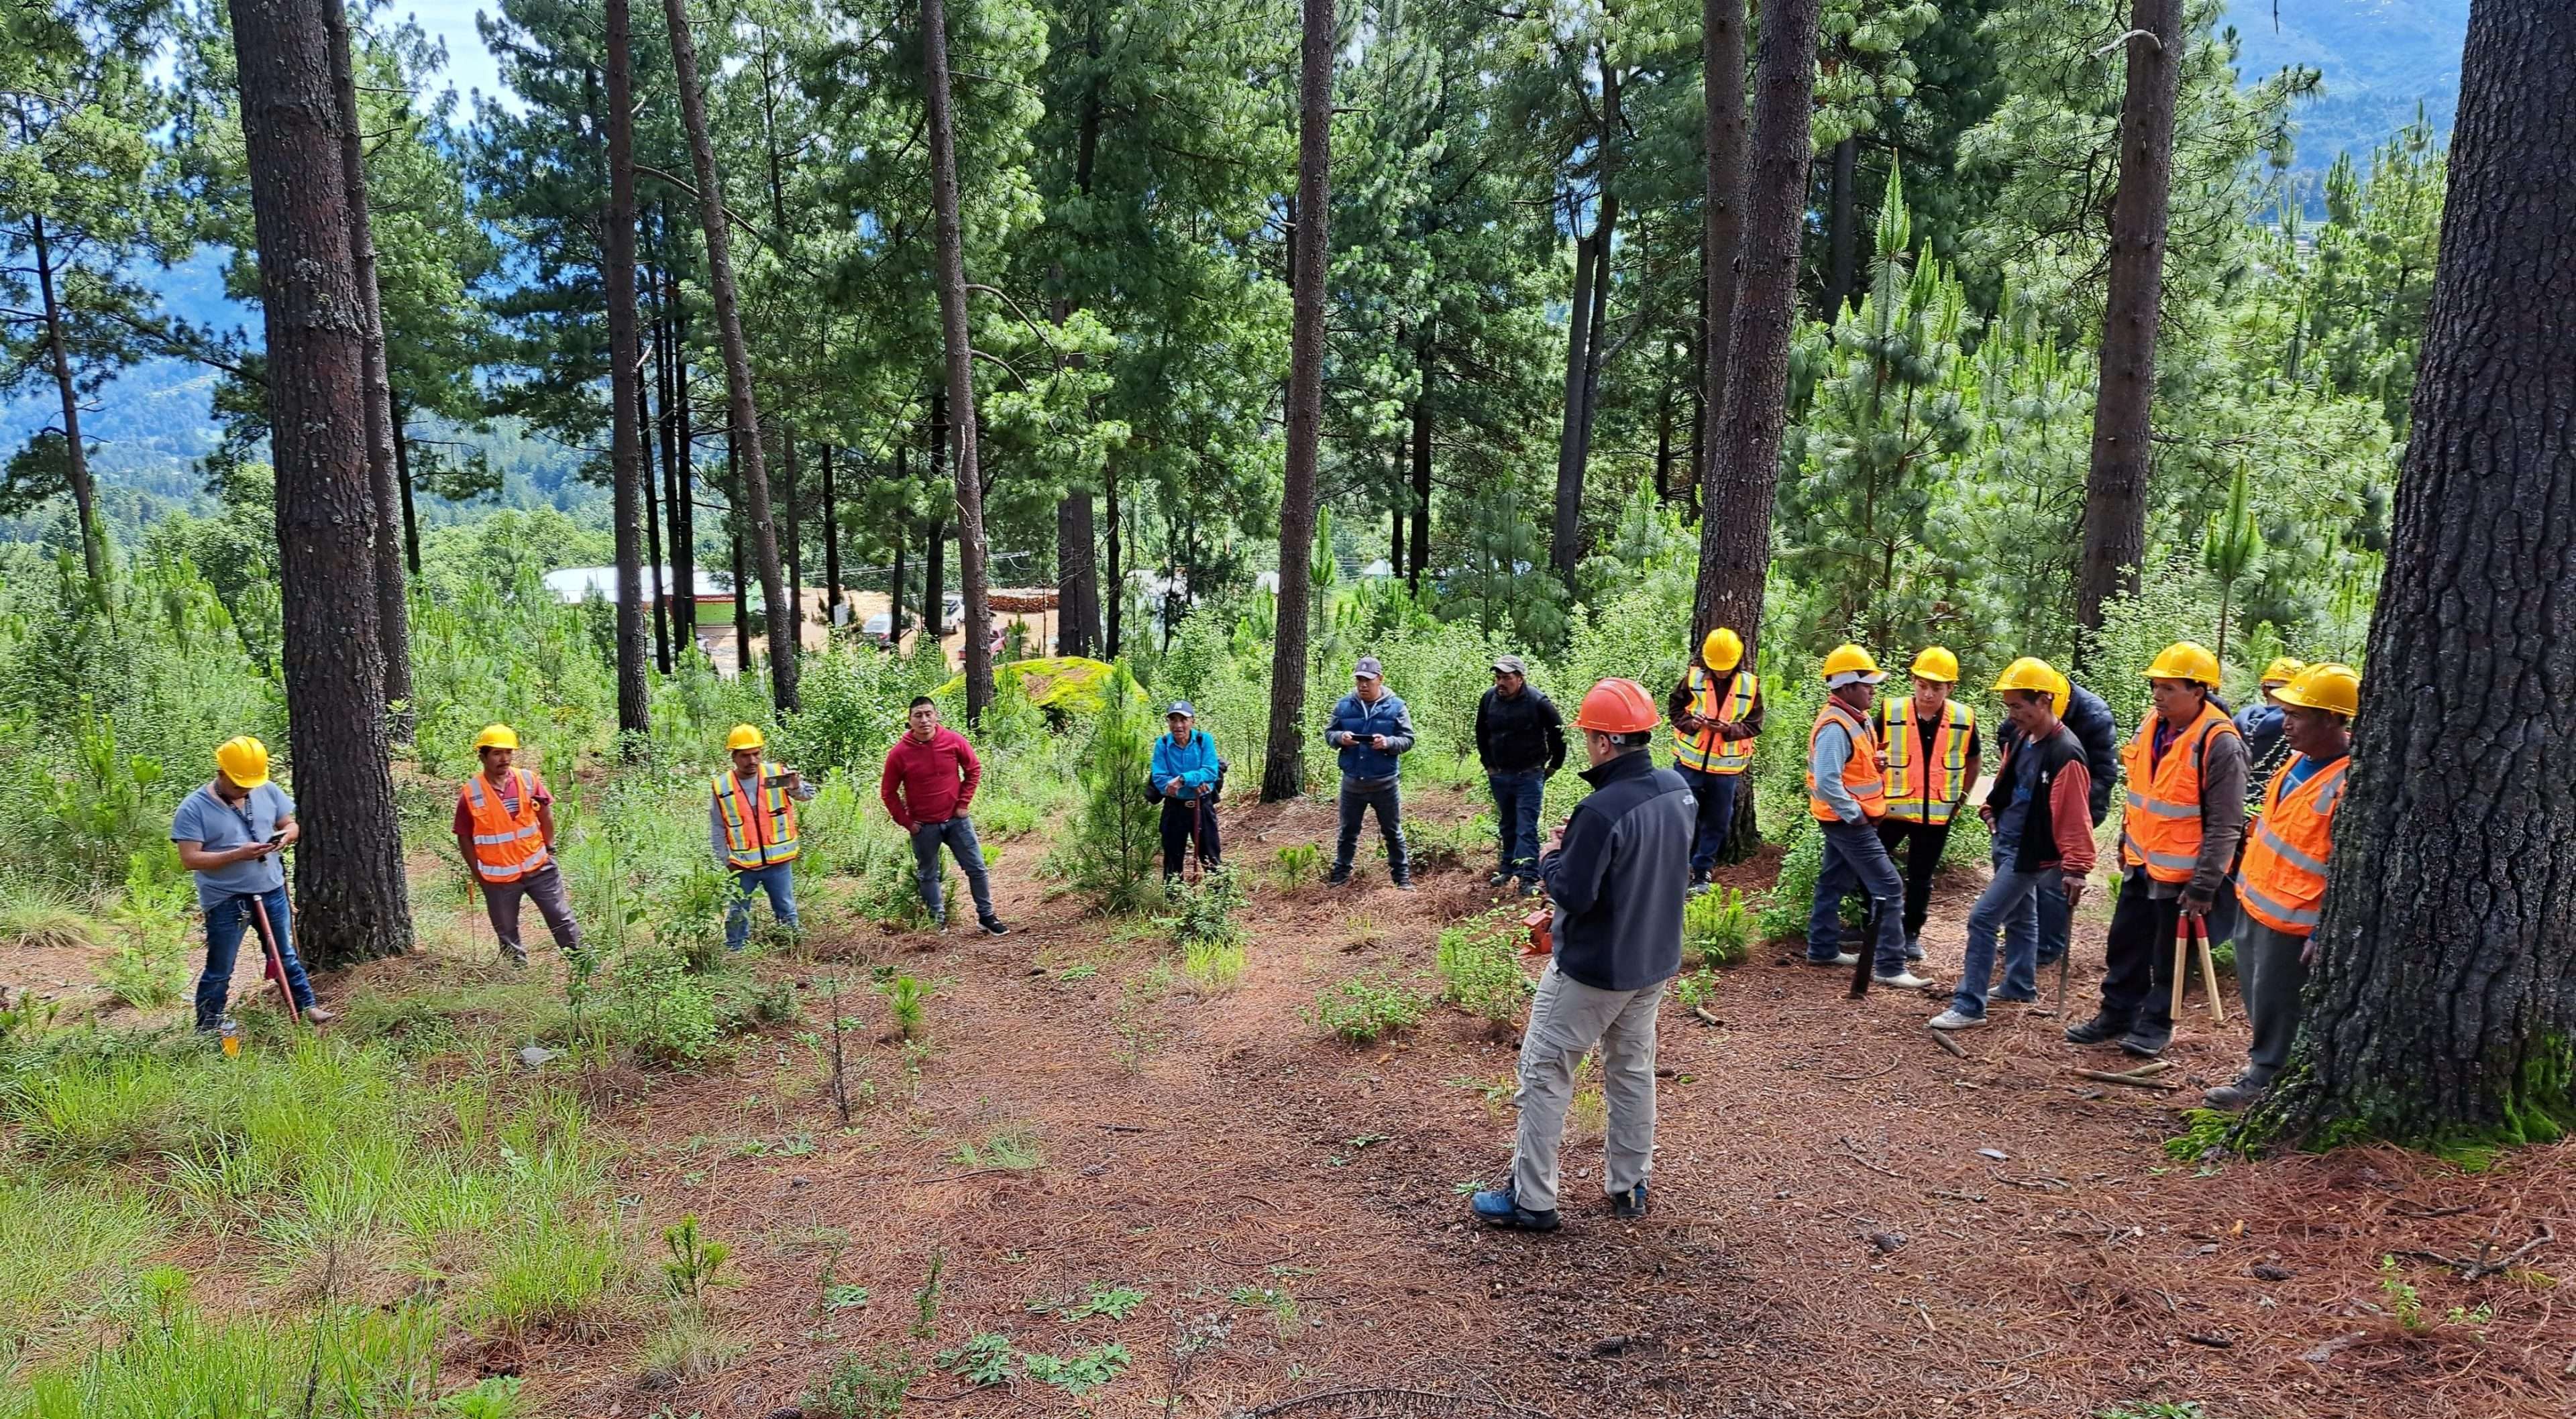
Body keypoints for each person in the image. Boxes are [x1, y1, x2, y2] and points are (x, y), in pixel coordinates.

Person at [1470, 679, 1695, 1231]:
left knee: (1545, 1072)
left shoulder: (1600, 809)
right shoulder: (1677, 790)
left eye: (1591, 735)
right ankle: (1629, 1184)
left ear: (1602, 742)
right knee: (1632, 1070)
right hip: (1653, 963)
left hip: (1595, 968)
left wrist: (1553, 854)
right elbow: (1647, 862)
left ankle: (1533, 1200)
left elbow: (1572, 892)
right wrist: (1584, 845)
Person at [2068, 641, 2246, 1058]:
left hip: (2183, 873)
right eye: (2156, 686)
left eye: (2169, 688)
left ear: (2198, 690)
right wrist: (2127, 841)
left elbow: (2226, 822)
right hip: (2141, 861)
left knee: (2170, 954)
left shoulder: (2220, 743)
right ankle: (2116, 1014)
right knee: (2125, 942)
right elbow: (2143, 792)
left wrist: (2205, 885)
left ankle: (2155, 1024)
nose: (2158, 695)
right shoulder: (2152, 725)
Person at [2208, 663, 2358, 1109]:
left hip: (2295, 918)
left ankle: (2266, 1080)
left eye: (2298, 714)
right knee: (2259, 998)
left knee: (2279, 1004)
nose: (2284, 722)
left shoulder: (2348, 780)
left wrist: (2320, 929)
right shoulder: (2297, 760)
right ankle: (2264, 1069)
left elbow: (2346, 867)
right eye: (2285, 711)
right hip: (2256, 901)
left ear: (2332, 719)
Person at [1929, 661, 2094, 1030]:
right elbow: (2007, 780)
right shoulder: (2022, 737)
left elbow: (2074, 814)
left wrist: (2077, 867)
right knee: (2022, 916)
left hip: (2029, 852)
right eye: (2009, 706)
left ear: (2045, 700)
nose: (2013, 714)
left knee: (1983, 918)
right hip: (2006, 838)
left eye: (2019, 705)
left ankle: (1970, 1005)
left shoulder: (2065, 752)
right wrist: (1991, 810)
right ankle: (2020, 985)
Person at [172, 736, 332, 1031]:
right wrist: (236, 855)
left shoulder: (266, 789)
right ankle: (209, 1025)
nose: (246, 790)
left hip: (270, 888)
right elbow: (190, 859)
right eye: (238, 785)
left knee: (284, 953)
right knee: (222, 966)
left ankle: (306, 1006)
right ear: (220, 773)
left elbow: (291, 823)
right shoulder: (193, 808)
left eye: (250, 785)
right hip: (226, 898)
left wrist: (286, 837)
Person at [1805, 644, 1929, 988]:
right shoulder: (1835, 726)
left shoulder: (1852, 719)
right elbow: (1829, 782)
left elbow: (1849, 770)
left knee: (1833, 881)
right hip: (1848, 821)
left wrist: (1876, 764)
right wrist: (1854, 815)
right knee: (1889, 886)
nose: (1873, 690)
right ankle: (1890, 966)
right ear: (1845, 687)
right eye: (1866, 684)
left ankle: (1822, 948)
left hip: (1851, 818)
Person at [2004, 676, 2121, 971]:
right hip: (2034, 810)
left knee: (2053, 878)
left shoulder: (2095, 717)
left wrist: (2063, 804)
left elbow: (2105, 774)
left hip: (2078, 806)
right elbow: (2007, 740)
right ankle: (2026, 939)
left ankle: (2048, 946)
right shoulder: (2024, 709)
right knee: (2025, 875)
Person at [1876, 647, 1981, 961]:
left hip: (1937, 814)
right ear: (1913, 681)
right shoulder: (1891, 711)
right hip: (1891, 812)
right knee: (1874, 868)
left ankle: (1911, 934)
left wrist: (1961, 797)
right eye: (1923, 684)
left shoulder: (1963, 718)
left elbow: (1973, 760)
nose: (1928, 693)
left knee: (1922, 877)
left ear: (1950, 688)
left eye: (1937, 687)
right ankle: (1873, 925)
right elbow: (1869, 750)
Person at [879, 695, 1008, 935]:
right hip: (924, 825)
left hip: (957, 821)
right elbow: (888, 793)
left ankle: (986, 916)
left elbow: (974, 769)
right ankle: (937, 921)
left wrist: (963, 804)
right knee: (928, 874)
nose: (924, 720)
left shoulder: (953, 741)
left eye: (928, 714)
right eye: (918, 715)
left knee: (977, 868)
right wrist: (908, 823)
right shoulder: (899, 753)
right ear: (909, 721)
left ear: (936, 716)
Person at [454, 724, 581, 967]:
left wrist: (549, 848)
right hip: (499, 878)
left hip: (539, 866)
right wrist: (478, 873)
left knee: (560, 917)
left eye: (509, 753)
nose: (505, 759)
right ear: (482, 756)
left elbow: (545, 813)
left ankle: (582, 963)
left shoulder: (527, 779)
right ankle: (517, 973)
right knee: (506, 929)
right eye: (497, 753)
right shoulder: (471, 793)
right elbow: (464, 837)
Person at [1666, 627, 1763, 892]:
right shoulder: (1693, 678)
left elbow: (1755, 725)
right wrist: (1692, 723)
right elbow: (1675, 709)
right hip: (1689, 764)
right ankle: (1677, 867)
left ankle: (1702, 871)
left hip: (1726, 769)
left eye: (1725, 667)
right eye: (1716, 667)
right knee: (1683, 815)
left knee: (1718, 819)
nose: (1721, 672)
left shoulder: (1750, 685)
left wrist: (1729, 731)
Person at [712, 724, 815, 952]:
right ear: (734, 757)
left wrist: (796, 787)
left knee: (786, 908)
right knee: (738, 910)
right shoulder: (723, 785)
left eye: (756, 754)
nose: (752, 760)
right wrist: (725, 860)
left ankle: (791, 948)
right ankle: (735, 951)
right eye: (745, 756)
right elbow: (718, 826)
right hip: (741, 864)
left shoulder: (775, 775)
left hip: (778, 861)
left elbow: (807, 795)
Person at [1475, 655, 1566, 894]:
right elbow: (1481, 734)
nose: (1500, 683)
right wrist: (1489, 765)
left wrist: (1554, 765)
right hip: (1500, 774)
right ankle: (1507, 869)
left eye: (1506, 678)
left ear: (1520, 678)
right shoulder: (1489, 699)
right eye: (1498, 677)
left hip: (1529, 774)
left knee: (1526, 825)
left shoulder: (1538, 702)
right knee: (1507, 822)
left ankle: (1528, 877)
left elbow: (1559, 734)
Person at [1323, 657, 1417, 889]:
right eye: (1359, 680)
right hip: (1352, 781)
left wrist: (1388, 743)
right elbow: (1329, 733)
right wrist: (1340, 738)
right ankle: (1340, 875)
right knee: (1348, 832)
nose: (1363, 685)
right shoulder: (1344, 705)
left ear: (1380, 679)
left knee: (1393, 832)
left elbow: (1408, 739)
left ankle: (1402, 879)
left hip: (1385, 783)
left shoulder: (1397, 706)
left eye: (1368, 680)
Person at [1150, 701, 1223, 882]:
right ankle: (1173, 904)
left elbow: (1211, 771)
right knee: (1172, 860)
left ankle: (1218, 901)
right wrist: (1195, 781)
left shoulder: (1203, 740)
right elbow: (1159, 779)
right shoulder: (1163, 744)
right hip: (1174, 808)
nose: (1178, 725)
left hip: (1202, 806)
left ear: (1193, 721)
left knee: (1210, 856)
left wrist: (1182, 779)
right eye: (1173, 720)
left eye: (1183, 719)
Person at [2237, 657, 2305, 815]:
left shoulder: (2238, 720)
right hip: (2271, 807)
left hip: (2232, 801)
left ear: (2264, 689)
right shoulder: (2301, 729)